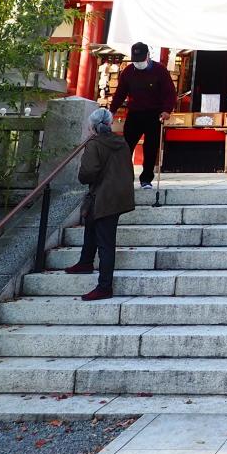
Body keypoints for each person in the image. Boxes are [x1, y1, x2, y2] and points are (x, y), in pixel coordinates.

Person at [67, 107, 135, 301]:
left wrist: (82, 177)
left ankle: (105, 286)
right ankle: (86, 261)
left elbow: (88, 171)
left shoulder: (95, 144)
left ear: (93, 127)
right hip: (119, 193)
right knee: (91, 223)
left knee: (105, 241)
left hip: (104, 195)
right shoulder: (121, 142)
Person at [109, 41, 176, 187]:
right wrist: (111, 111)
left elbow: (170, 93)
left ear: (148, 56)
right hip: (134, 114)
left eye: (140, 60)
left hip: (154, 114)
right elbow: (120, 94)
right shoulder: (128, 72)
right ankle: (124, 178)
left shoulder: (160, 70)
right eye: (135, 60)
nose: (138, 63)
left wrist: (167, 109)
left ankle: (146, 179)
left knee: (151, 148)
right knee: (126, 147)